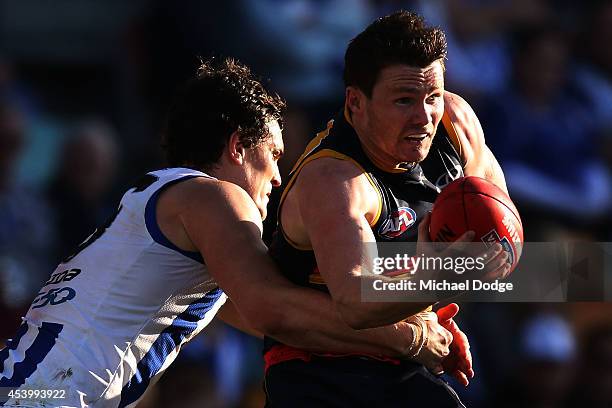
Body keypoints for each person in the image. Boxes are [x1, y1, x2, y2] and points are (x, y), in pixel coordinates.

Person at [0, 57, 460, 408]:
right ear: (238, 146)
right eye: (275, 154)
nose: (279, 178)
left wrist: (407, 320)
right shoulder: (215, 196)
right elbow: (272, 309)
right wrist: (410, 335)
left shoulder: (170, 207)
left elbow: (289, 323)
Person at [263, 11, 510, 407]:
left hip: (406, 361)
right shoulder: (335, 181)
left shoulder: (455, 122)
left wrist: (435, 312)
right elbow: (356, 300)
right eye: (403, 100)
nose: (424, 116)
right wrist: (440, 281)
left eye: (431, 97)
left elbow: (501, 225)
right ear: (355, 102)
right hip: (320, 371)